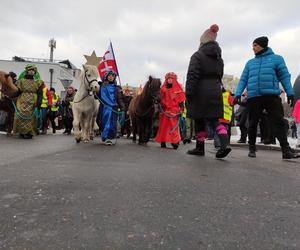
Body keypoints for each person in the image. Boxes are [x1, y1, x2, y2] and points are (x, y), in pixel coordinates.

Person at [234, 36, 298, 158]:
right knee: (252, 123)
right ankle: (252, 148)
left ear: (262, 45)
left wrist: (290, 92)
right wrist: (238, 94)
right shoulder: (250, 63)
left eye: (255, 45)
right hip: (254, 97)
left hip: (271, 96)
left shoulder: (277, 59)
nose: (252, 48)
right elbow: (243, 79)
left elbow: (284, 76)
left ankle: (286, 150)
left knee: (278, 122)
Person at [185, 24, 231, 158]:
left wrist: (189, 93)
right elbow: (220, 75)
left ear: (202, 41)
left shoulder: (197, 55)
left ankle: (200, 148)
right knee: (215, 120)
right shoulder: (219, 58)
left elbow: (192, 75)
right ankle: (224, 144)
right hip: (215, 90)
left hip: (200, 91)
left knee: (199, 119)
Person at [12, 64, 44, 139]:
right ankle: (21, 132)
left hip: (33, 100)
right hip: (22, 100)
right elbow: (18, 91)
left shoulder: (38, 82)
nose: (31, 71)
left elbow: (40, 93)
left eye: (33, 70)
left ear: (35, 72)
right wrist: (12, 96)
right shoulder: (21, 81)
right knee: (20, 115)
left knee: (31, 117)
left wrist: (39, 101)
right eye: (30, 70)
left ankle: (30, 132)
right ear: (27, 71)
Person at [155, 72, 185, 149]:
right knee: (163, 127)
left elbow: (181, 101)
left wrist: (181, 108)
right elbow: (159, 99)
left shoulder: (178, 90)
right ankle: (163, 141)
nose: (170, 80)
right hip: (164, 111)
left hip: (174, 111)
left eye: (171, 79)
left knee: (174, 127)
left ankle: (174, 142)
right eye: (168, 79)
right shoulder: (162, 89)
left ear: (174, 80)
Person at [97, 71, 125, 145]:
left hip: (113, 108)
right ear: (106, 77)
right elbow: (97, 97)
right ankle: (104, 137)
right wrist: (95, 90)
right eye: (109, 76)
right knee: (103, 122)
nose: (111, 77)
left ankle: (110, 138)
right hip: (104, 107)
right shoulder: (102, 86)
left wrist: (122, 108)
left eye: (112, 76)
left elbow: (120, 99)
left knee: (112, 123)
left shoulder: (117, 88)